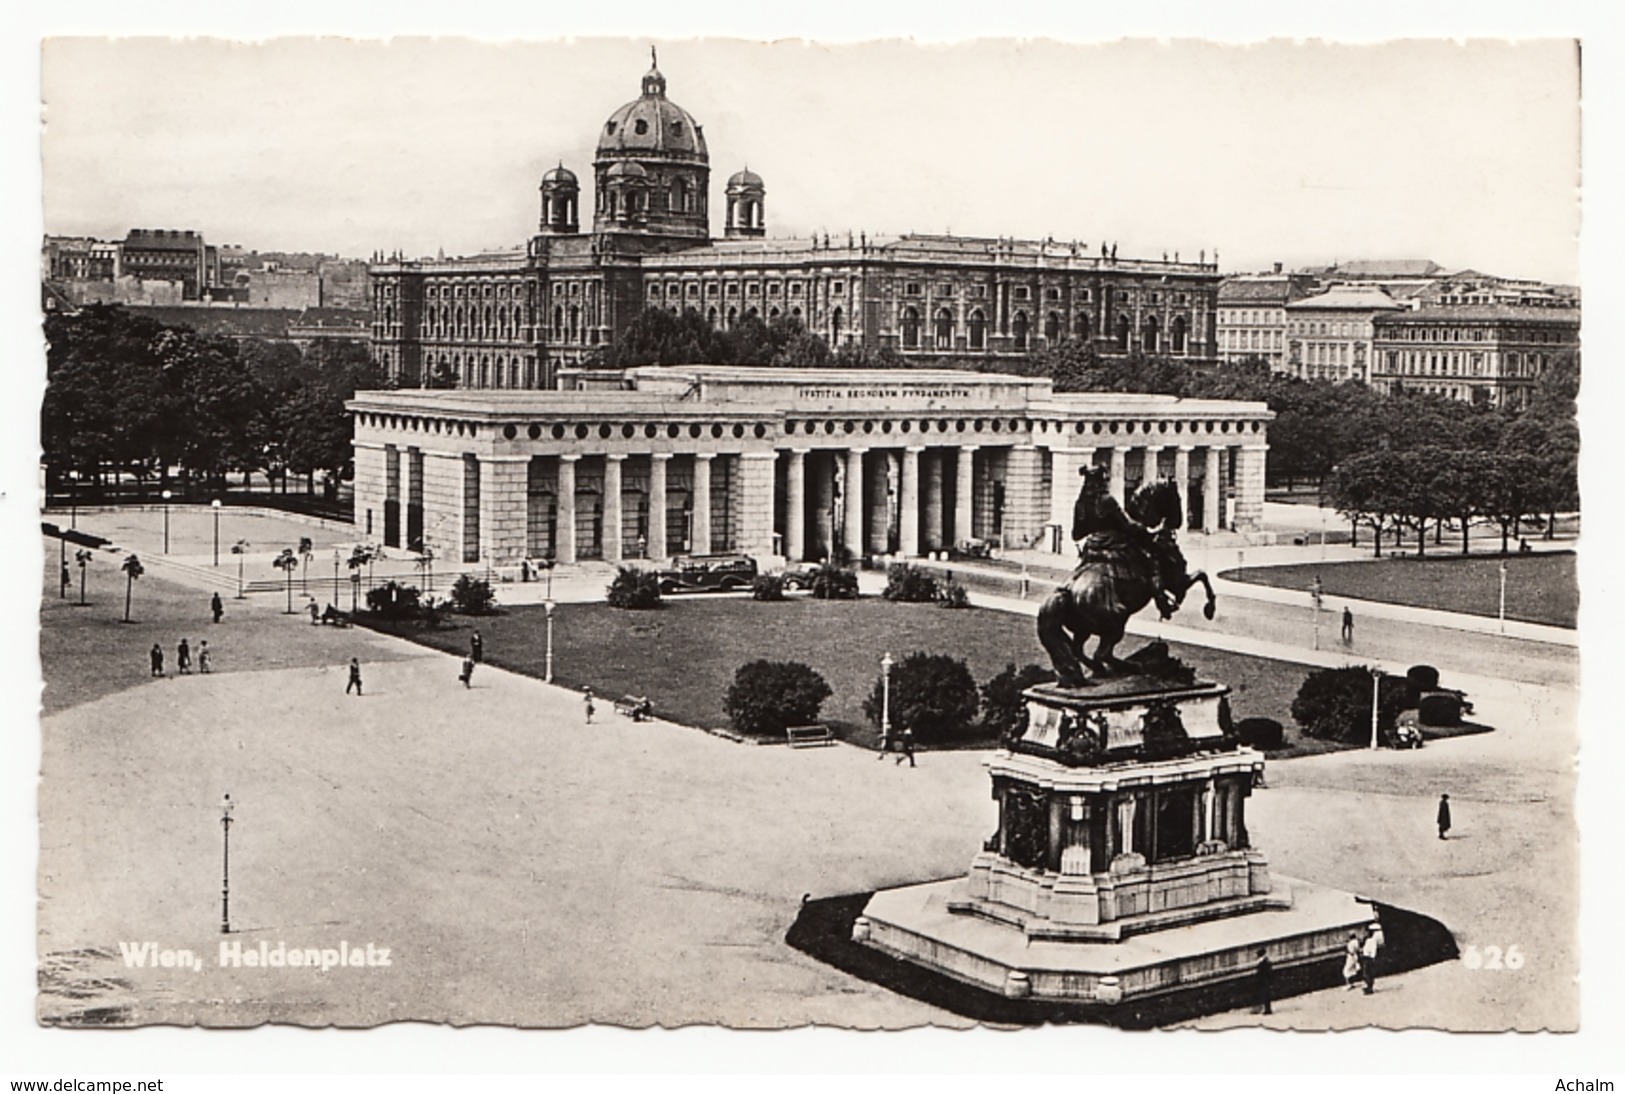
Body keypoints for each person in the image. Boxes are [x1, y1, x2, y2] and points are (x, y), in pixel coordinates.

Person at [1360, 921, 1383, 993]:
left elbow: (1373, 950)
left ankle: (1369, 987)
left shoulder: (1372, 941)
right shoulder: (1367, 940)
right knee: (1366, 973)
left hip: (1368, 958)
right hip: (1365, 957)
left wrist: (1372, 957)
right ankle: (1368, 986)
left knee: (1368, 973)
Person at [1254, 948, 1273, 1015]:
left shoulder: (1263, 962)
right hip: (1265, 981)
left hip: (1264, 981)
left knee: (1265, 995)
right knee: (1265, 995)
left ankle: (1267, 1010)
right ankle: (1267, 1009)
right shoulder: (1265, 961)